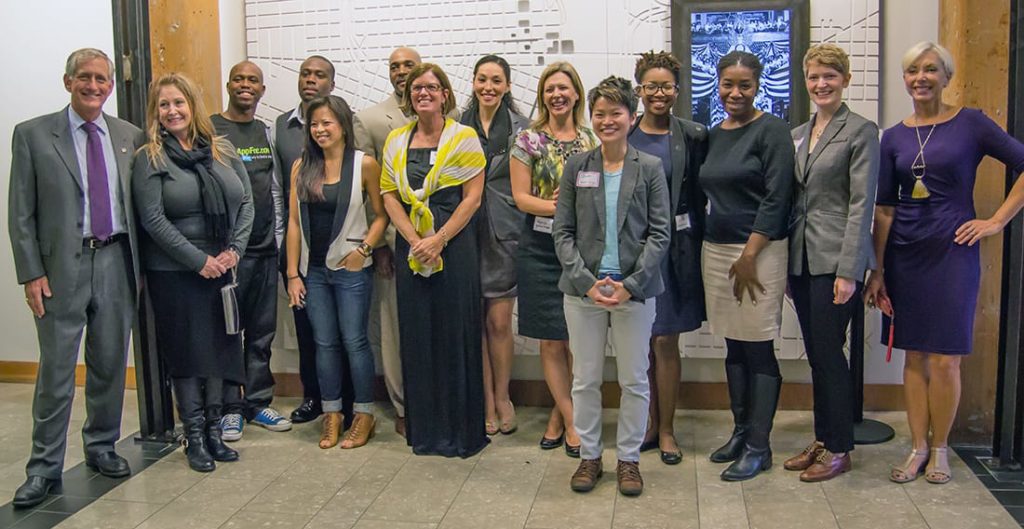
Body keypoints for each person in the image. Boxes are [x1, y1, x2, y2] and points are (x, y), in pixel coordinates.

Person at [864, 41, 1024, 485]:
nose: (920, 77)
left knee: (946, 360)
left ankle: (940, 449)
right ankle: (916, 447)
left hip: (953, 252)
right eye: (913, 70)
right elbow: (884, 209)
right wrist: (877, 270)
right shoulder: (893, 136)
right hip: (904, 256)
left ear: (946, 76)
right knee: (913, 357)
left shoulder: (970, 123)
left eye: (930, 69)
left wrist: (994, 222)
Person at [8, 48, 144, 508]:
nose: (93, 86)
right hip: (61, 271)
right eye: (84, 77)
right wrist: (31, 273)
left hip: (115, 263)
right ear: (68, 82)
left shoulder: (129, 136)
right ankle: (43, 467)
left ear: (110, 85)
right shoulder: (32, 135)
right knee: (56, 373)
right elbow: (20, 214)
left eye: (101, 79)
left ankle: (102, 447)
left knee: (108, 364)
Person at [554, 76, 671, 497]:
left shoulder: (651, 169)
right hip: (582, 293)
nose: (606, 121)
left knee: (635, 379)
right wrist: (586, 283)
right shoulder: (577, 167)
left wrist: (631, 284)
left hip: (632, 292)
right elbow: (562, 233)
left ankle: (628, 460)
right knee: (584, 378)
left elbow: (661, 233)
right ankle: (589, 456)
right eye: (599, 114)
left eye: (615, 113)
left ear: (632, 116)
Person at [133, 73, 253, 472]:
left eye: (179, 103)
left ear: (193, 106)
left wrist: (234, 250)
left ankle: (217, 432)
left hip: (223, 268)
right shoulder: (149, 157)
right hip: (175, 273)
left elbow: (247, 201)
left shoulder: (221, 150)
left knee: (219, 351)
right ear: (156, 112)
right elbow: (152, 219)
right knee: (187, 355)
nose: (172, 111)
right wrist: (198, 261)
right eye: (164, 105)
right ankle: (195, 435)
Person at [380, 63, 488, 457]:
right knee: (418, 333)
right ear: (409, 97)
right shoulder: (395, 140)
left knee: (454, 333)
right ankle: (425, 432)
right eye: (416, 88)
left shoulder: (465, 137)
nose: (423, 92)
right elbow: (390, 194)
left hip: (454, 246)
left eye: (431, 86)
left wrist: (438, 239)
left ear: (445, 94)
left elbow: (472, 198)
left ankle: (460, 433)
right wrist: (413, 240)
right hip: (411, 248)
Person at [785, 43, 879, 482]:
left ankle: (840, 447)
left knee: (828, 355)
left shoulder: (860, 130)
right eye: (814, 77)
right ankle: (824, 439)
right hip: (802, 260)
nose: (821, 84)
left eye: (830, 76)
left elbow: (862, 205)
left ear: (845, 80)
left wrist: (849, 270)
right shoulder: (799, 132)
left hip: (835, 261)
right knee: (818, 356)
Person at [698, 51, 794, 481]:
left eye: (745, 85)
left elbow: (778, 198)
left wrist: (751, 254)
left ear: (758, 87)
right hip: (717, 250)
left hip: (759, 252)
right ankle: (740, 432)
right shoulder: (714, 134)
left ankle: (760, 446)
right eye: (728, 84)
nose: (735, 93)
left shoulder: (771, 131)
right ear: (717, 84)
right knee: (732, 344)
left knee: (757, 346)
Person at [286, 95, 388, 449]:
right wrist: (292, 274)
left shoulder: (365, 165)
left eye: (327, 123)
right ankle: (332, 415)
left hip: (351, 270)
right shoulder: (302, 167)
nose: (320, 130)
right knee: (324, 344)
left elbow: (382, 215)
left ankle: (363, 414)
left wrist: (364, 250)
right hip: (312, 273)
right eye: (314, 124)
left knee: (355, 341)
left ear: (343, 125)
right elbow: (294, 224)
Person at [510, 62, 598, 456]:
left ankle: (559, 415)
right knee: (551, 338)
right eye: (549, 89)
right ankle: (572, 418)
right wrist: (559, 210)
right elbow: (521, 198)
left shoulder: (591, 141)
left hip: (581, 249)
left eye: (564, 88)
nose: (557, 95)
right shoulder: (527, 140)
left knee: (578, 338)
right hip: (540, 249)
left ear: (576, 93)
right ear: (542, 95)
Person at [627, 50, 708, 465]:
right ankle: (647, 425)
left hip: (676, 251)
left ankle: (669, 429)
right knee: (640, 343)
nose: (659, 93)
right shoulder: (623, 135)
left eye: (667, 86)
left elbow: (701, 194)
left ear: (677, 90)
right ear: (639, 89)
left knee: (666, 341)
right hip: (634, 252)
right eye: (651, 85)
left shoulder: (692, 134)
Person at [211, 60, 292, 440]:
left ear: (262, 90)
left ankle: (257, 402)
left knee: (262, 332)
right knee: (228, 331)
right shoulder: (211, 129)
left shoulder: (264, 131)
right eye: (239, 79)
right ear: (228, 85)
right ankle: (230, 408)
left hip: (264, 249)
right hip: (230, 254)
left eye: (253, 81)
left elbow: (273, 188)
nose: (246, 85)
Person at [274, 55, 352, 426]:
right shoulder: (281, 126)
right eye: (305, 73)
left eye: (320, 75)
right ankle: (313, 397)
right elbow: (281, 193)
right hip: (299, 248)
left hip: (340, 251)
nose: (310, 80)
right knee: (308, 330)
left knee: (345, 332)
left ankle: (346, 400)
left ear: (331, 85)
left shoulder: (341, 122)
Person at [353, 46, 422, 437]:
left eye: (407, 65)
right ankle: (403, 405)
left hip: (440, 241)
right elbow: (367, 190)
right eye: (394, 66)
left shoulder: (449, 116)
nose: (401, 72)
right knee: (395, 327)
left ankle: (432, 395)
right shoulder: (370, 119)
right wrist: (377, 245)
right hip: (394, 242)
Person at [459, 55, 529, 436]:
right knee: (473, 322)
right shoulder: (454, 126)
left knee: (499, 321)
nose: (489, 86)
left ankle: (503, 396)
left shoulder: (523, 129)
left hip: (506, 232)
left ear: (506, 86)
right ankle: (484, 399)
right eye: (482, 79)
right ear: (473, 83)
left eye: (496, 80)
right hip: (463, 232)